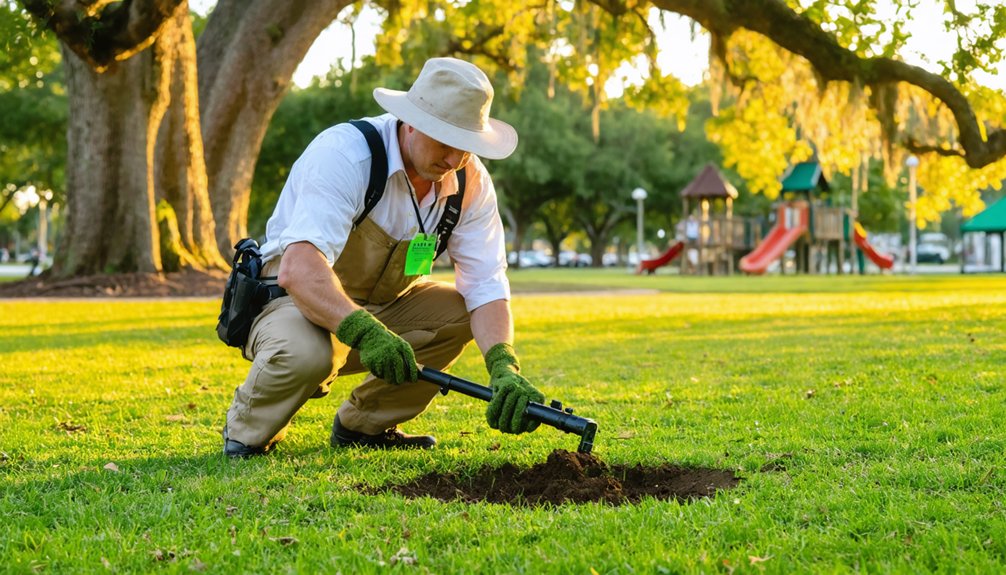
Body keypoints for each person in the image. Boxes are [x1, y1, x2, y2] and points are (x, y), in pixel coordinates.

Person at [221, 58, 544, 457]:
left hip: (383, 308)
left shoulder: (469, 180)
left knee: (463, 312)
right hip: (292, 304)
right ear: (412, 122)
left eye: (466, 146)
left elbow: (487, 282)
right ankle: (247, 431)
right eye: (445, 141)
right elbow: (299, 269)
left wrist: (503, 365)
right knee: (309, 355)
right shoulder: (346, 153)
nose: (454, 160)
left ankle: (364, 424)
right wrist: (367, 333)